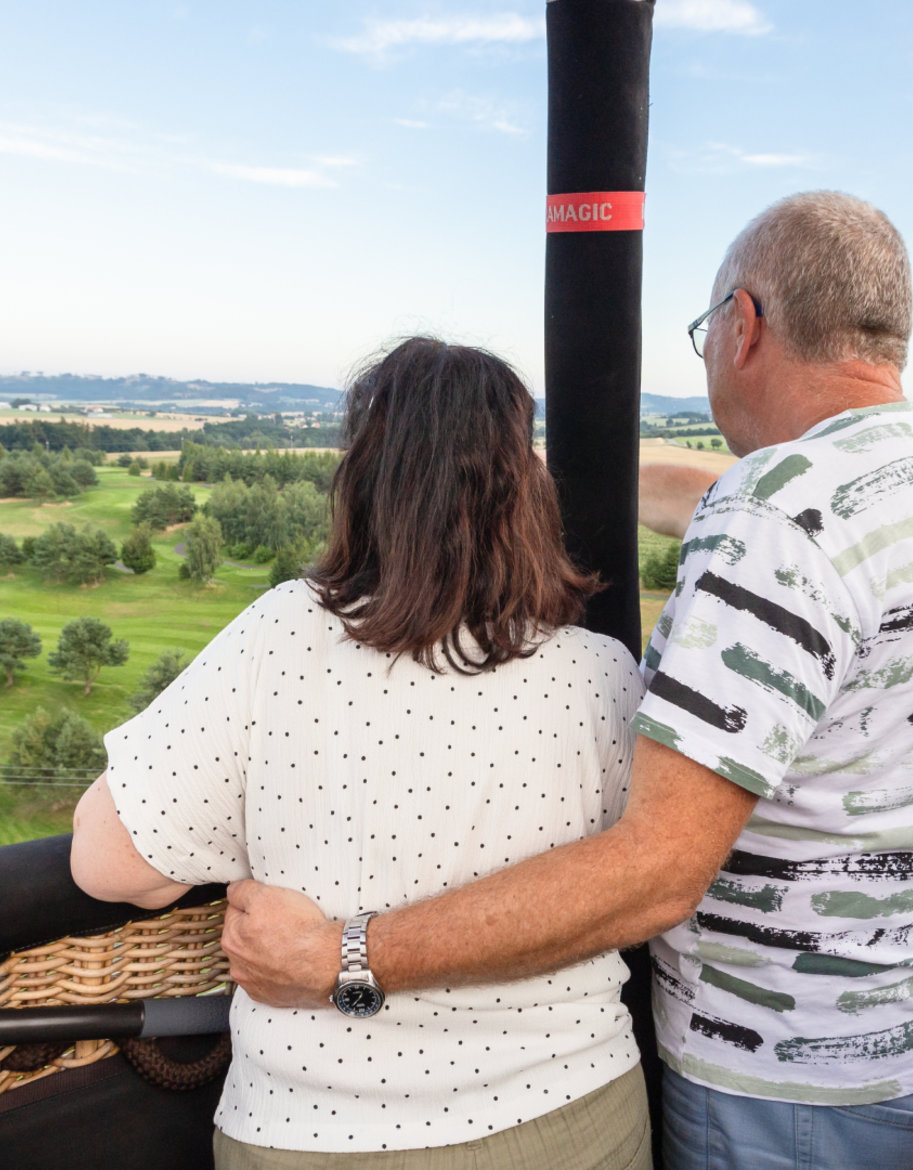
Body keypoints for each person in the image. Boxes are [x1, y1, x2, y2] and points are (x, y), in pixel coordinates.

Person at [223, 191, 913, 1170]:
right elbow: (767, 527)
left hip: (784, 1076)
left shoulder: (772, 519)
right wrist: (510, 477)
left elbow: (657, 873)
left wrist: (342, 956)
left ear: (743, 326)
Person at [68, 337, 651, 1170]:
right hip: (575, 1114)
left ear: (366, 482)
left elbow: (110, 866)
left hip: (316, 1131)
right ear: (527, 492)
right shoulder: (600, 674)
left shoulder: (281, 635)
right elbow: (632, 876)